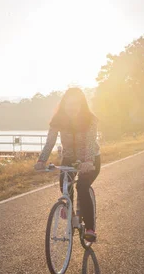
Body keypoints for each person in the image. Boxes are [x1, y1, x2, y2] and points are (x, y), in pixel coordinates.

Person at [34, 88, 101, 242]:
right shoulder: (58, 120)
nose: (72, 108)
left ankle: (90, 228)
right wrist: (41, 160)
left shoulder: (90, 120)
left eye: (76, 104)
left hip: (90, 160)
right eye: (69, 104)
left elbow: (90, 143)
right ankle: (70, 213)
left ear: (81, 105)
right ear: (63, 104)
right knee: (65, 184)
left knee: (82, 187)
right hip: (70, 158)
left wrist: (88, 161)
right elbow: (50, 142)